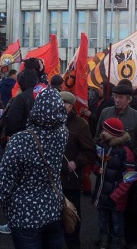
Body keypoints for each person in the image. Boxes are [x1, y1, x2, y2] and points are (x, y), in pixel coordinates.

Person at [0, 86, 69, 249]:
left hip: (25, 214)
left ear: (36, 108)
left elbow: (4, 183)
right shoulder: (63, 133)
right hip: (54, 208)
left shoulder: (21, 140)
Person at [0, 57, 49, 235]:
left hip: (22, 148)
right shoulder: (47, 93)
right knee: (38, 187)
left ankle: (15, 222)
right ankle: (40, 220)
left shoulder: (22, 98)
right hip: (44, 148)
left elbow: (11, 124)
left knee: (17, 186)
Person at [59, 91, 98, 249]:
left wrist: (76, 162)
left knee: (71, 214)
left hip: (71, 178)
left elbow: (90, 150)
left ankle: (73, 244)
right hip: (52, 178)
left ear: (70, 106)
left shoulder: (80, 124)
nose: (59, 106)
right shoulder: (51, 121)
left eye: (63, 103)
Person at [92, 118, 137, 249]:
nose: (103, 132)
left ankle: (116, 242)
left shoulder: (125, 151)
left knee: (117, 222)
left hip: (117, 196)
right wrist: (96, 169)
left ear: (114, 133)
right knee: (102, 219)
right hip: (102, 192)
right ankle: (103, 239)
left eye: (106, 130)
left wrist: (117, 194)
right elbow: (94, 162)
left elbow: (130, 176)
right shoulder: (101, 145)